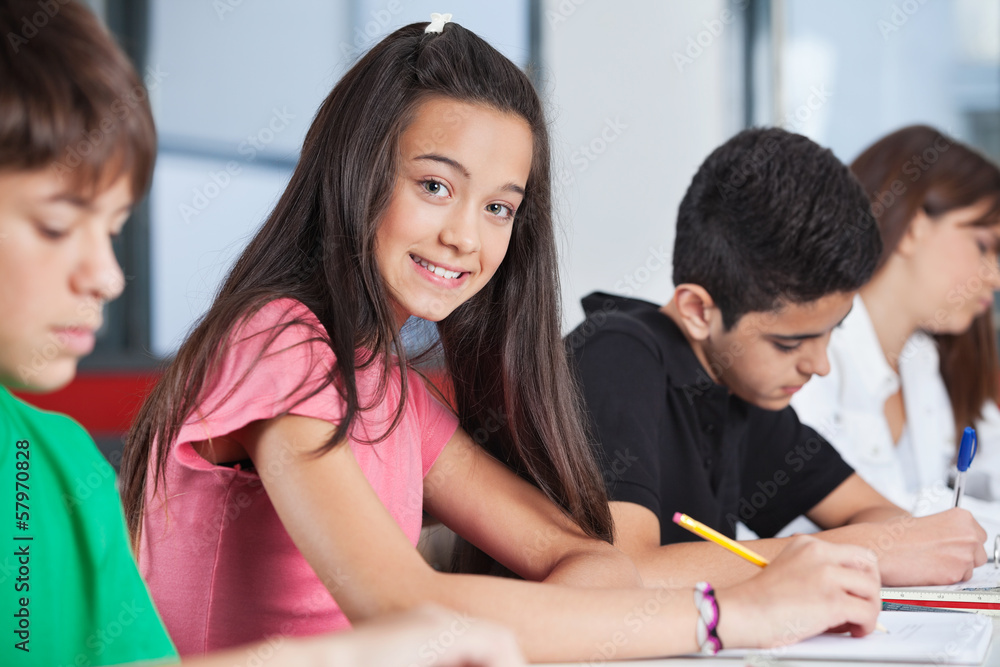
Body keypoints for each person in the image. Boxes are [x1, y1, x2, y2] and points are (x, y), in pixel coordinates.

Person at [119, 18, 884, 662]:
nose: (464, 237)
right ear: (357, 172)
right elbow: (403, 607)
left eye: (499, 208)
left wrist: (583, 610)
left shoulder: (393, 389)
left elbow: (587, 558)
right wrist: (732, 614)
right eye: (434, 186)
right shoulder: (280, 345)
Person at [0, 1, 525, 665]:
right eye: (55, 226)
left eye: (112, 230)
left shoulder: (63, 461)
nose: (108, 276)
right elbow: (402, 604)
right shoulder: (282, 344)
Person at [567, 127, 987, 591]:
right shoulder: (615, 355)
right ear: (698, 311)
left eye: (833, 332)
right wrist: (865, 549)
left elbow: (873, 514)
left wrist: (886, 541)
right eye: (789, 344)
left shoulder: (737, 393)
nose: (820, 364)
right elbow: (625, 574)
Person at [790, 125, 1000, 529]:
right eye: (983, 245)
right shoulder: (808, 356)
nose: (994, 277)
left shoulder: (921, 361)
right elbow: (883, 523)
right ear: (914, 226)